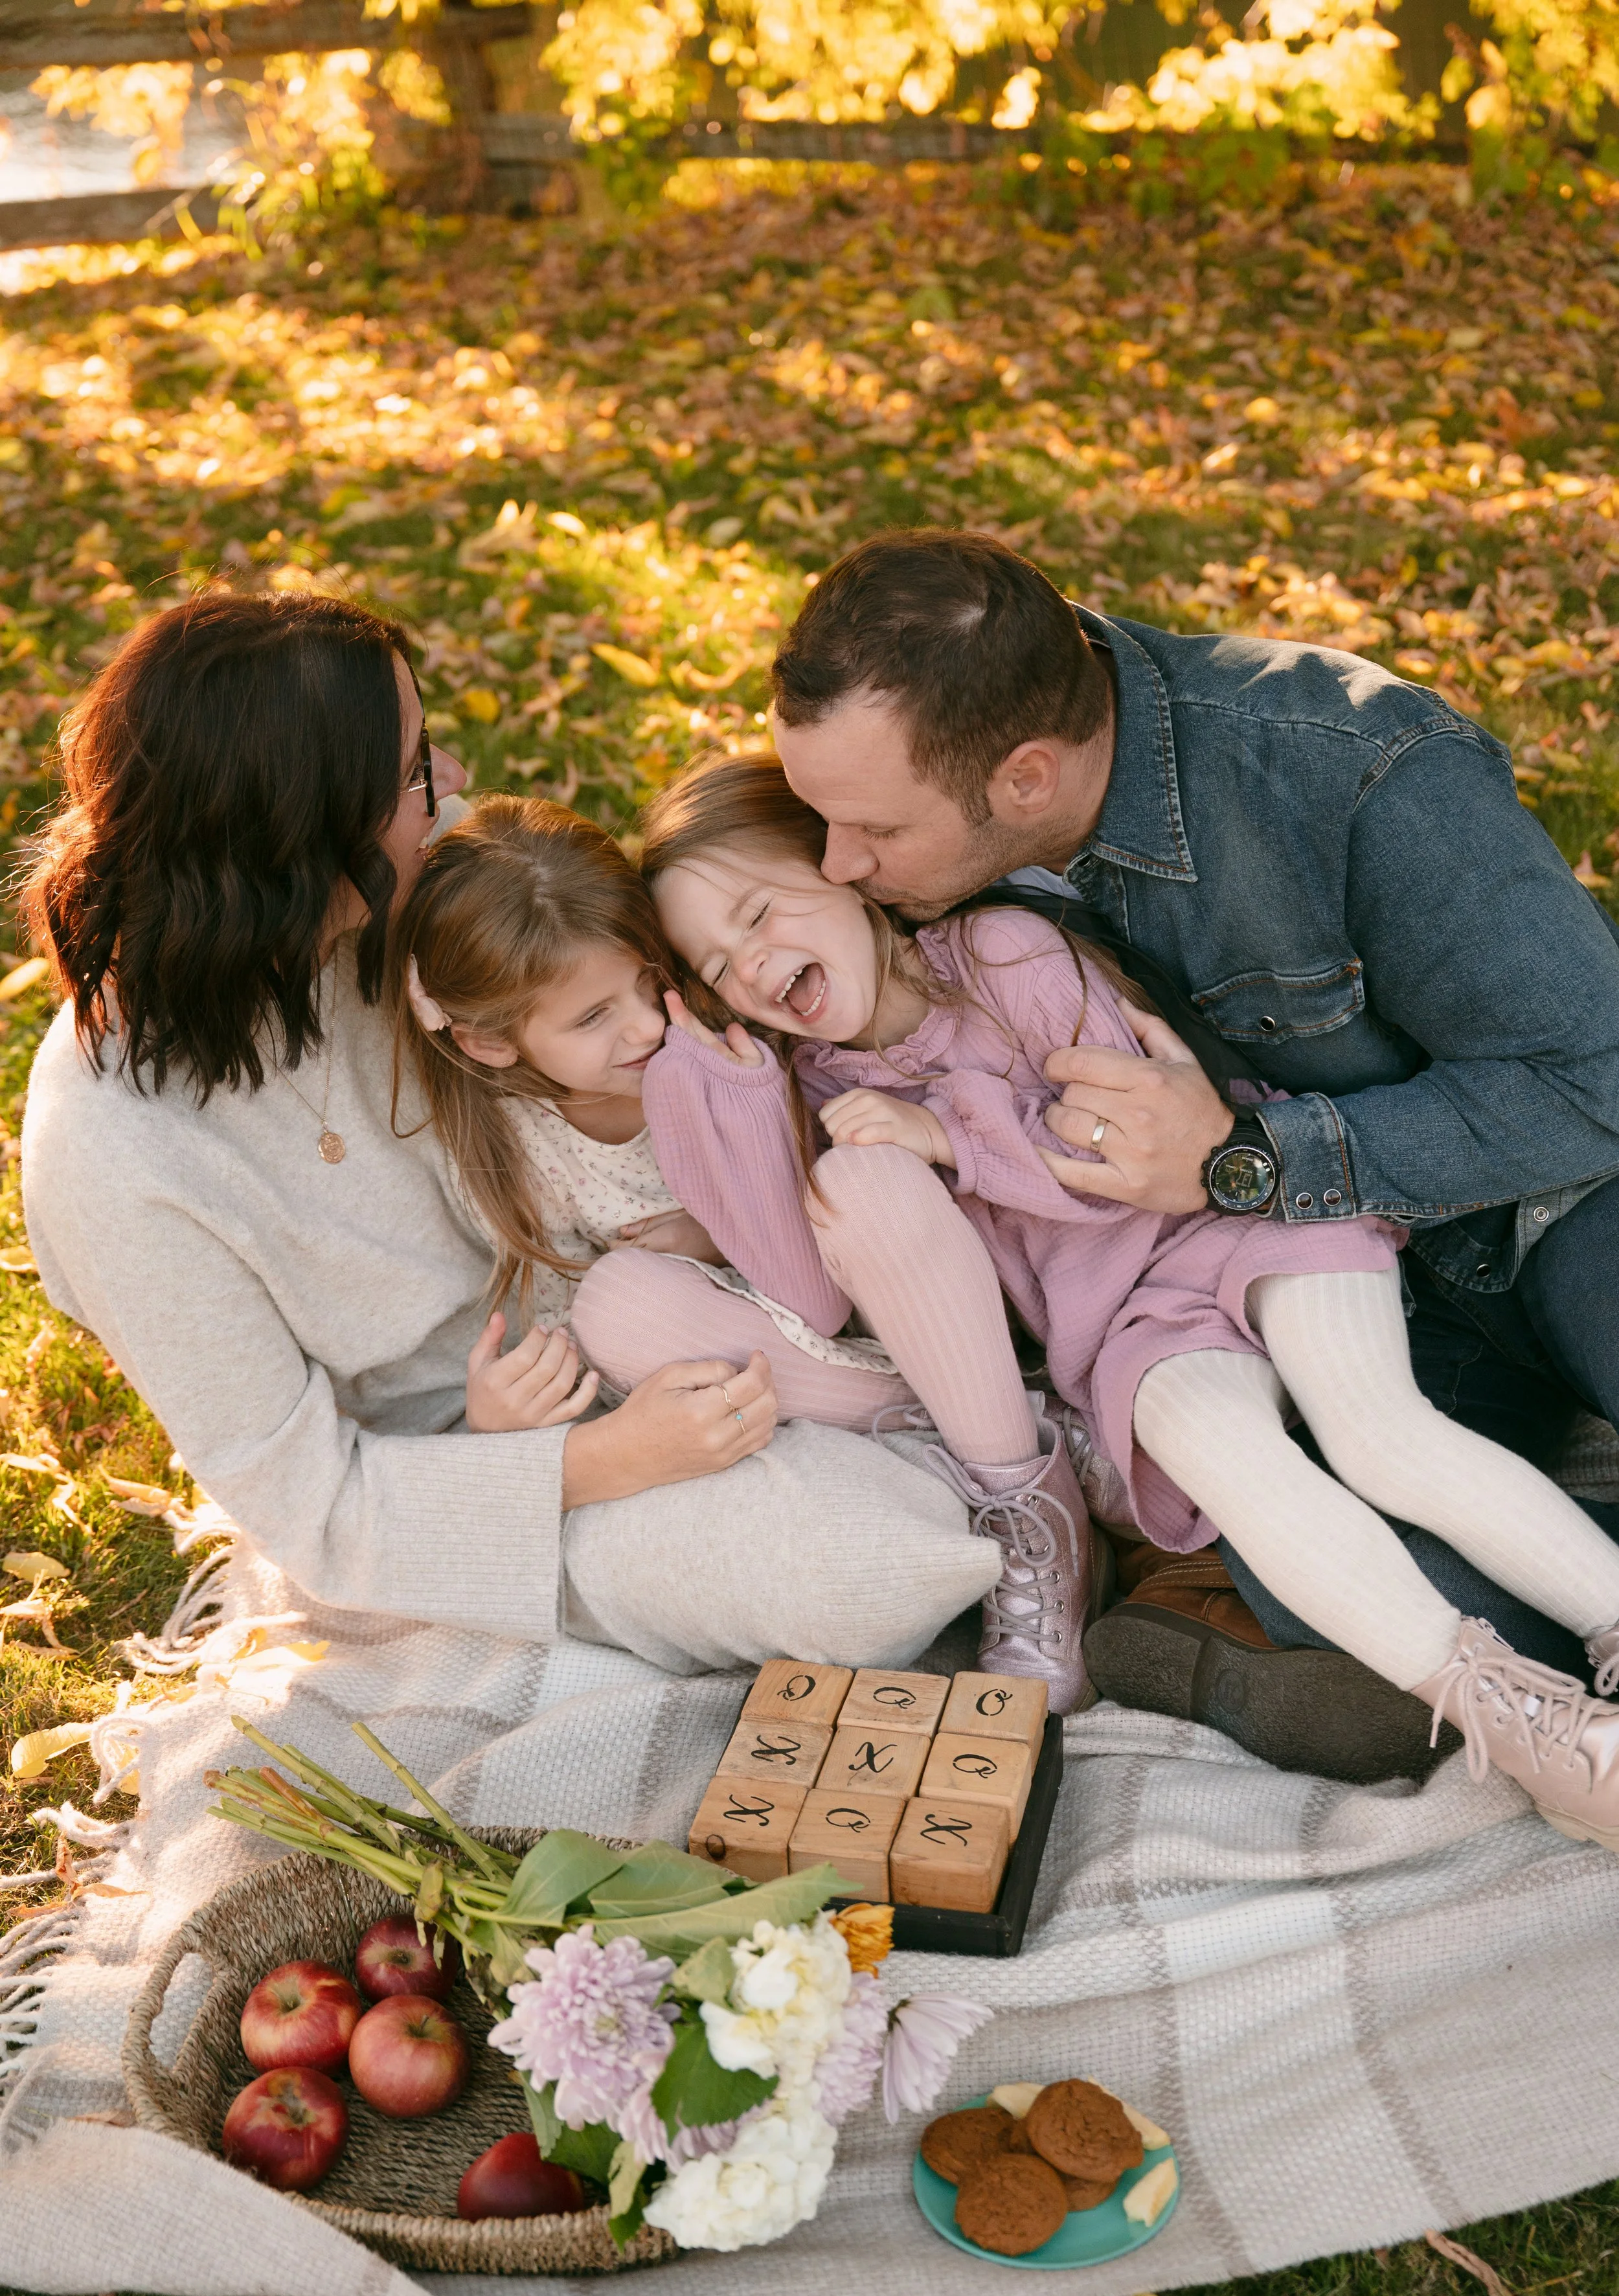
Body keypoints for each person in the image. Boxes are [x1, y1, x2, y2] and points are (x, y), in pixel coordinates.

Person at [623, 754, 1619, 1841]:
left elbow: (1125, 1151)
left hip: (1242, 1214)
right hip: (1130, 1325)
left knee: (1377, 1432)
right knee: (1238, 1472)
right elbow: (806, 1292)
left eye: (762, 913)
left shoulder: (1001, 955)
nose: (755, 965)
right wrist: (715, 1087)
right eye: (718, 965)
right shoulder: (824, 1088)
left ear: (848, 870)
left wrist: (947, 1138)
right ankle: (1537, 1733)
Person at [763, 525, 1619, 1762]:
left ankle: (1292, 1659)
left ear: (1026, 777)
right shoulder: (924, 836)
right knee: (1331, 1568)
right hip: (1362, 1309)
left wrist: (1247, 1161)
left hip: (1560, 1214)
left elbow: (1593, 1080)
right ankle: (1318, 1648)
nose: (840, 867)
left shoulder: (1356, 767)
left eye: (876, 836)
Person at [16, 589, 983, 1670]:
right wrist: (606, 1460)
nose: (459, 786)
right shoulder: (118, 1155)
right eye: (418, 770)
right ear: (308, 839)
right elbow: (316, 1511)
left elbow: (623, 988)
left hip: (691, 1313)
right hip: (483, 1477)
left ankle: (999, 1460)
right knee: (878, 1567)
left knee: (938, 1323)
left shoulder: (421, 908)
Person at [393, 796, 1101, 1705]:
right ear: (492, 1041)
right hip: (816, 1381)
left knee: (868, 1182)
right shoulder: (516, 1149)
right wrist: (503, 1425)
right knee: (616, 1305)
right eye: (592, 1018)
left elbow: (819, 1281)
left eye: (649, 983)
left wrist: (731, 1182)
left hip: (914, 1299)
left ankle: (1019, 1506)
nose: (646, 1027)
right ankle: (1032, 1449)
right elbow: (583, 1332)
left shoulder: (738, 1024)